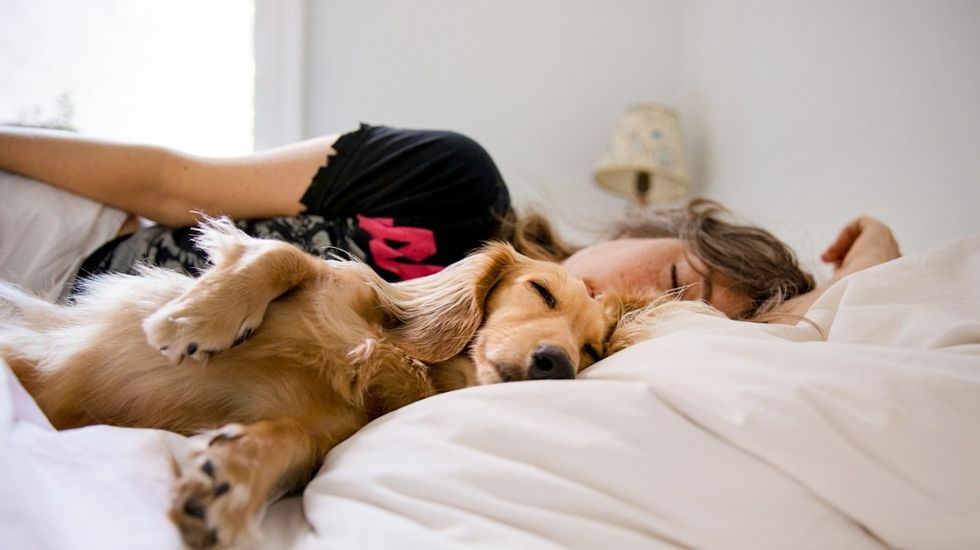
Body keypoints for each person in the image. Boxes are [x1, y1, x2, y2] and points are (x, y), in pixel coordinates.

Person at [0, 123, 900, 323]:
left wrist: (876, 268)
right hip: (81, 238)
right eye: (670, 278)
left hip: (75, 334)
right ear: (643, 226)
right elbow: (171, 181)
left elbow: (812, 344)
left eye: (683, 314)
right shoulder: (447, 179)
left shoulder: (528, 359)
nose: (639, 302)